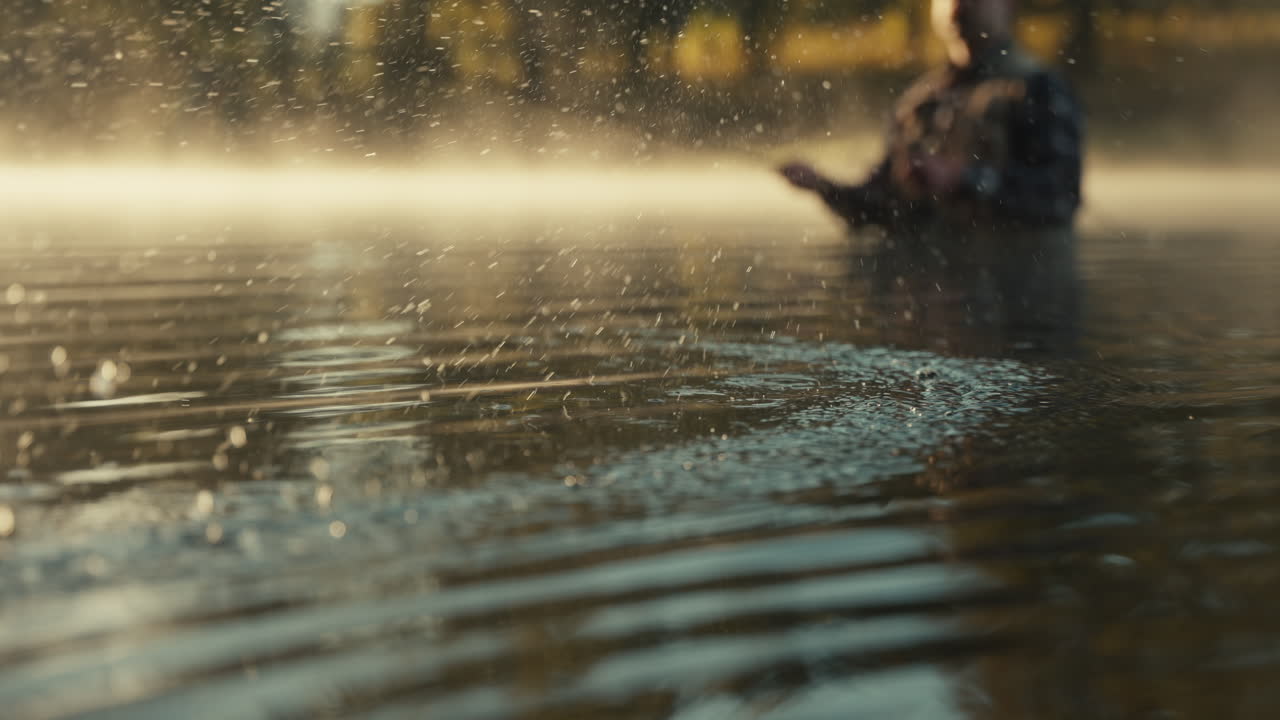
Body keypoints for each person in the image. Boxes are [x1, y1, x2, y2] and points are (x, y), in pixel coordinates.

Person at [781, 0, 1083, 231]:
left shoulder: (1038, 88)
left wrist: (964, 177)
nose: (959, 6)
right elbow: (884, 209)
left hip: (1019, 294)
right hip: (934, 290)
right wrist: (825, 188)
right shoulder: (919, 101)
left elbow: (1059, 199)